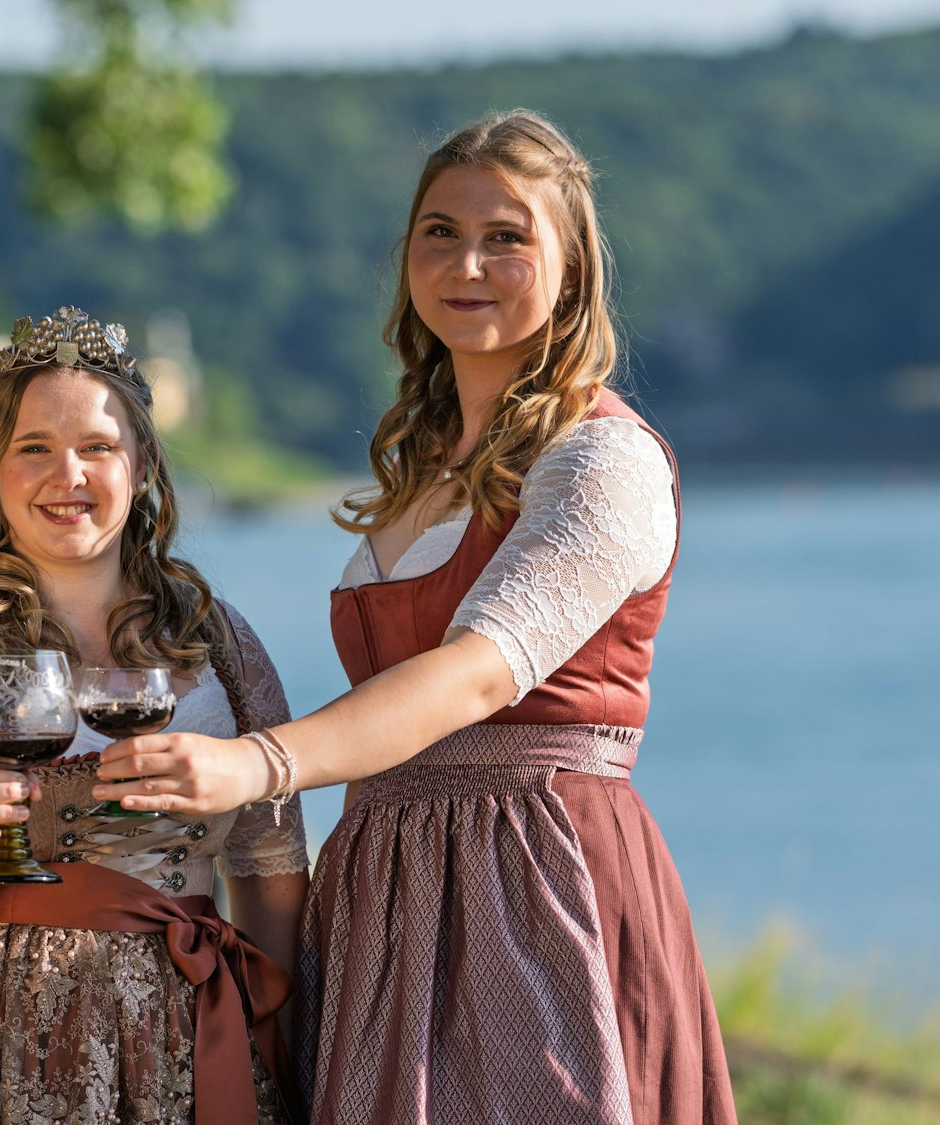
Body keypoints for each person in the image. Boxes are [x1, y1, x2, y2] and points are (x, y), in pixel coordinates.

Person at [94, 113, 738, 1124]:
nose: (466, 262)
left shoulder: (598, 460)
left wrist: (257, 763)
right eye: (437, 232)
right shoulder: (424, 469)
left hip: (529, 876)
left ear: (569, 270)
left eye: (506, 236)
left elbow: (476, 674)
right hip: (390, 879)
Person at [0, 307, 310, 1125]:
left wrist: (276, 1035)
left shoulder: (221, 641)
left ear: (140, 468)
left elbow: (271, 870)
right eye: (34, 448)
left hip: (189, 1026)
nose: (68, 475)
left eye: (97, 447)